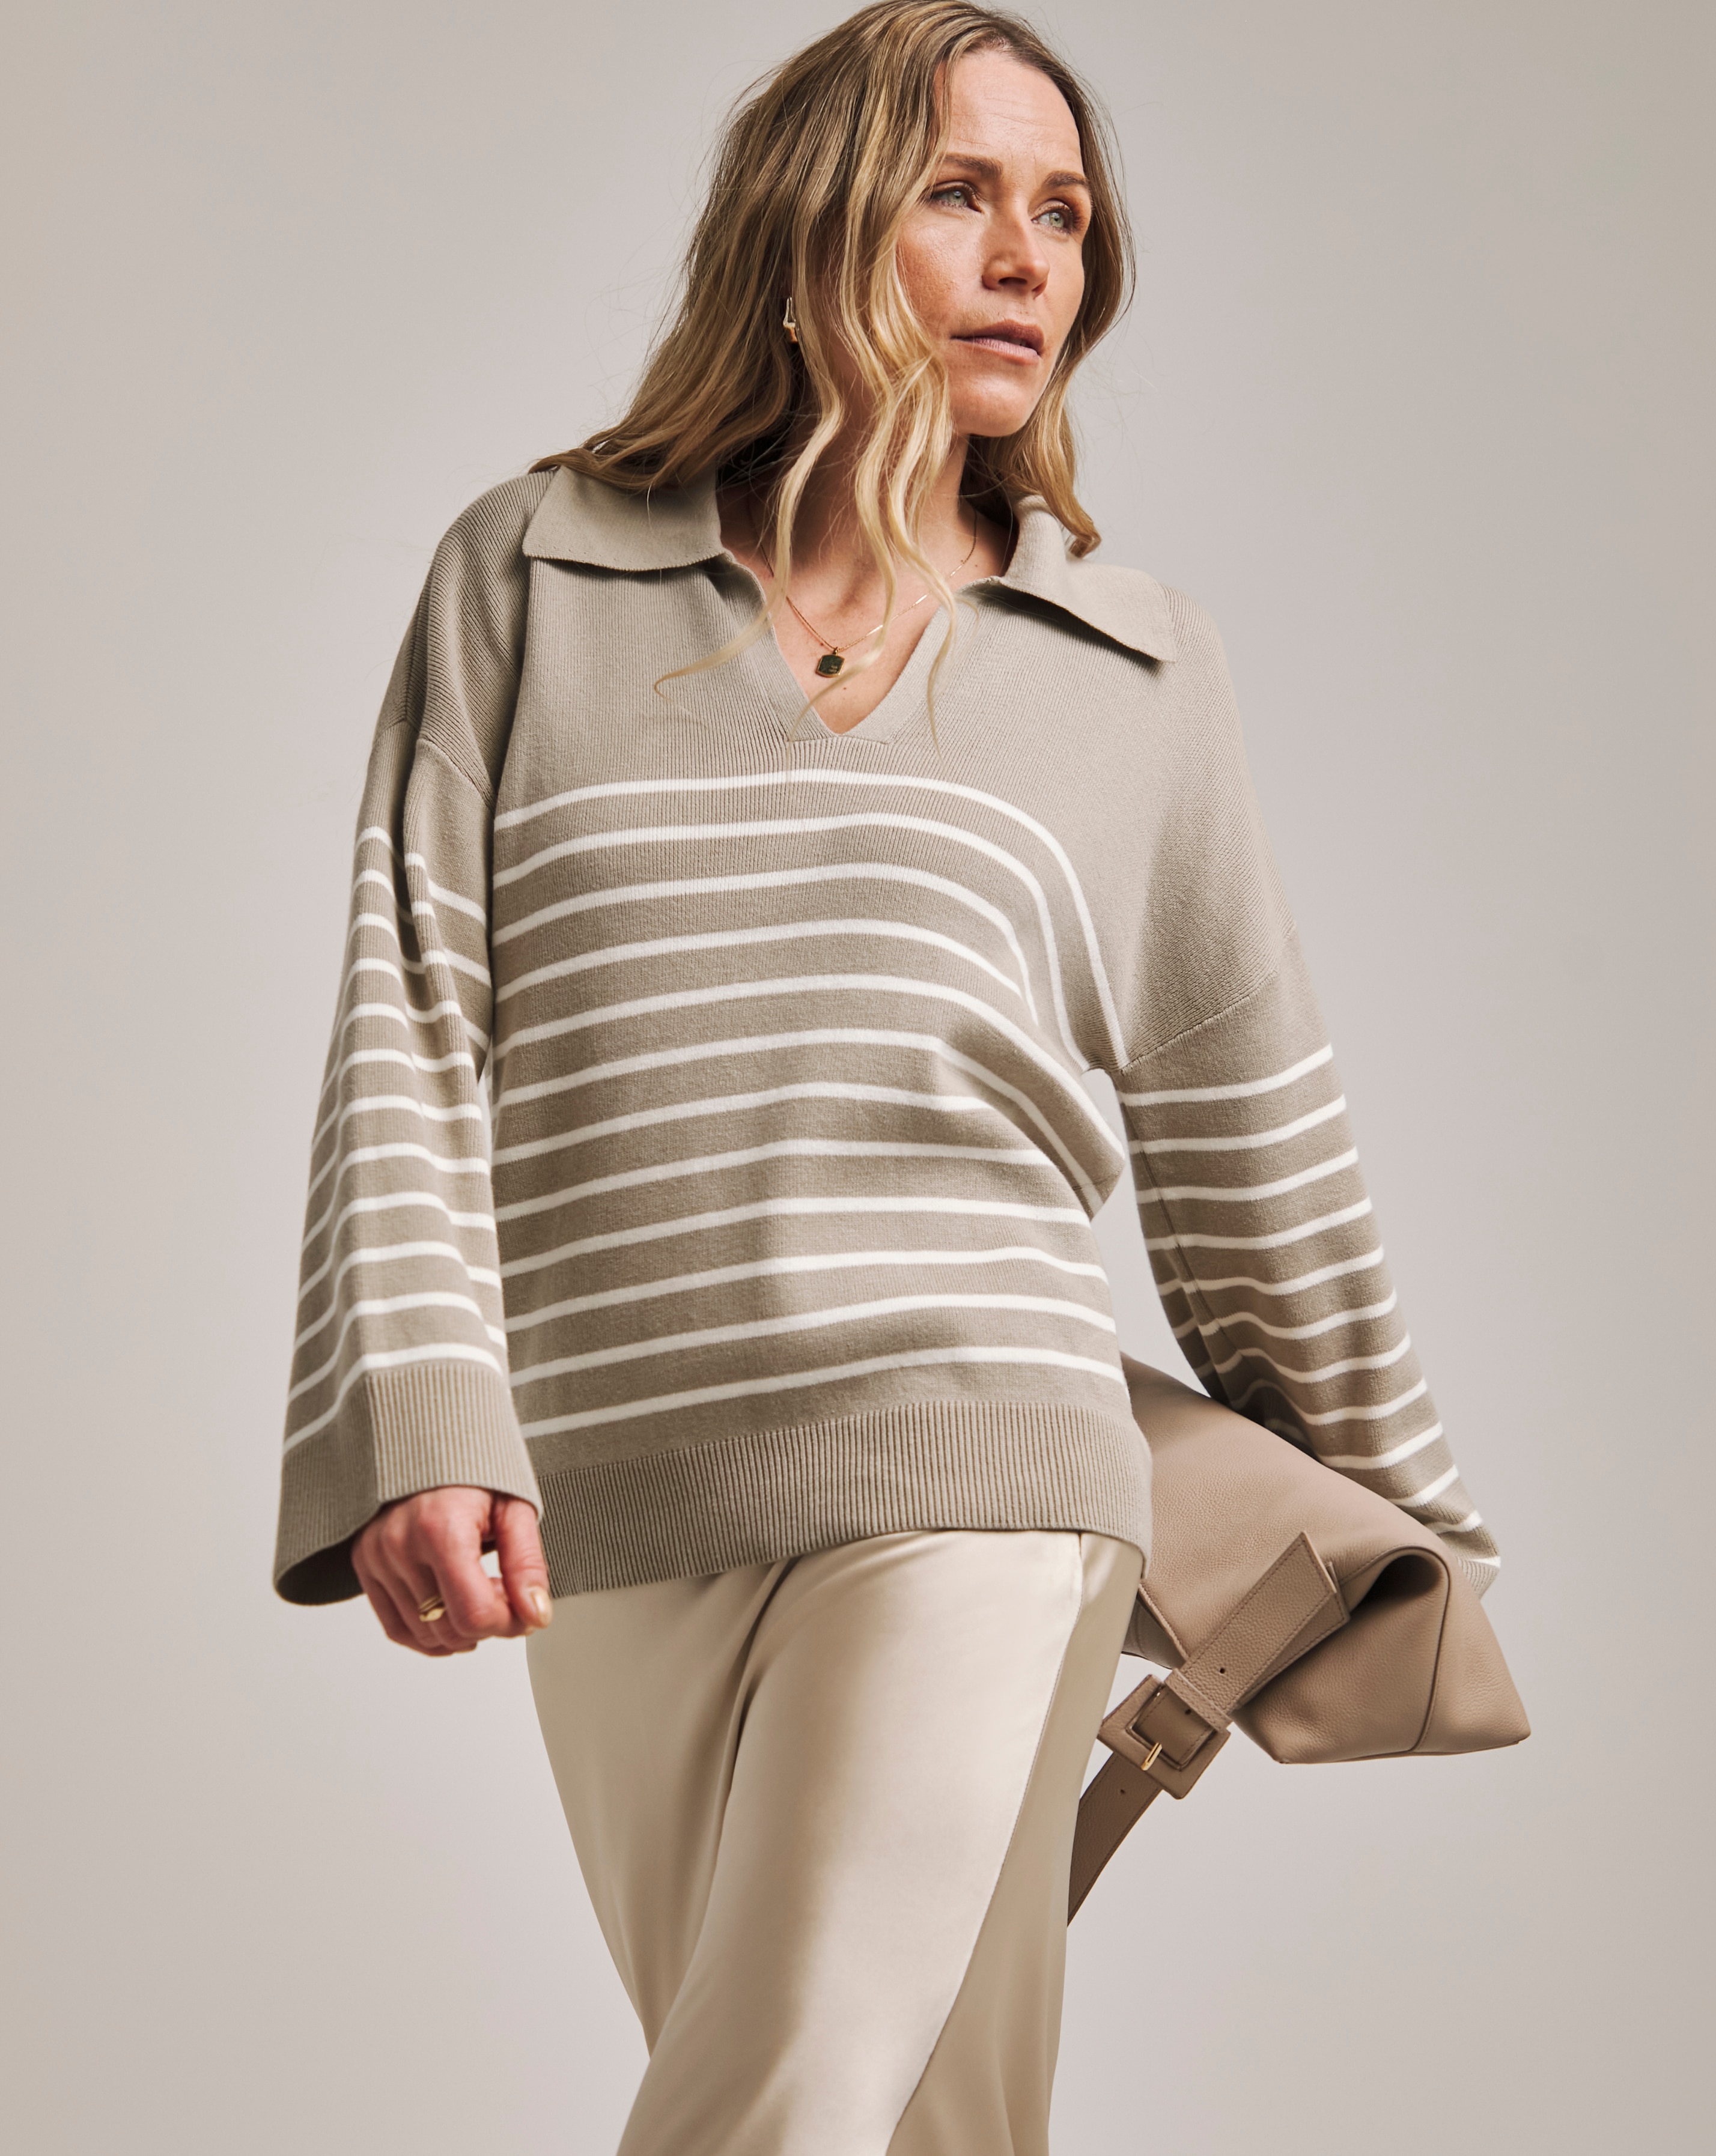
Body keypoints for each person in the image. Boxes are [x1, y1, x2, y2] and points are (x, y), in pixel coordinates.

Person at [273, 5, 1498, 2149]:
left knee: (781, 2110)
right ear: (809, 227)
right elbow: (414, 1013)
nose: (1032, 259)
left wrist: (1411, 1537)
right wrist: (422, 1420)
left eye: (1067, 215)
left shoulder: (1129, 666)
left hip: (980, 1469)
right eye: (961, 195)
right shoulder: (536, 574)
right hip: (620, 1508)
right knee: (921, 2121)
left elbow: (1245, 1131)